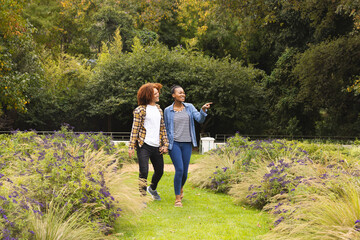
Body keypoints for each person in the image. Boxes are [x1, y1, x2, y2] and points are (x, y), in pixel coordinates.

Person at [164, 85, 212, 207]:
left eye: (184, 93)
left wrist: (203, 110)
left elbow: (200, 119)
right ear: (173, 95)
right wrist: (164, 143)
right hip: (174, 143)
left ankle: (180, 188)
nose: (182, 95)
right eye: (179, 93)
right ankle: (177, 199)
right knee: (179, 169)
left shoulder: (189, 107)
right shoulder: (167, 110)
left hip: (187, 143)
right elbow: (164, 128)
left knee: (185, 172)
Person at [128, 83, 169, 200]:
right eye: (155, 93)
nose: (157, 95)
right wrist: (131, 146)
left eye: (157, 92)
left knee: (160, 171)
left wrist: (165, 144)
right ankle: (142, 198)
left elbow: (162, 128)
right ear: (148, 95)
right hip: (144, 145)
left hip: (157, 146)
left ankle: (152, 188)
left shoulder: (159, 109)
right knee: (144, 172)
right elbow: (134, 129)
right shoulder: (140, 110)